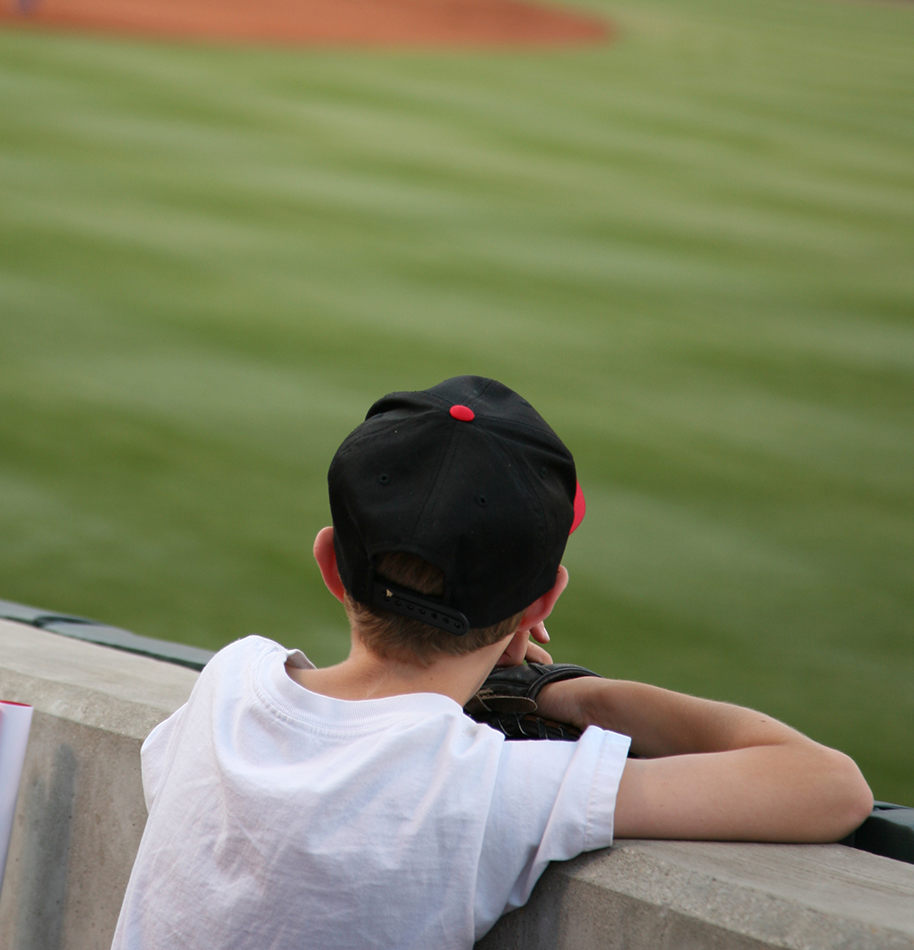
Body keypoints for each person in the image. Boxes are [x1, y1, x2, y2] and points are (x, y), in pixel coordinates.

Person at [110, 376, 872, 950]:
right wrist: (574, 697)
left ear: (331, 564)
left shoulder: (231, 682)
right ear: (542, 603)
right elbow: (830, 787)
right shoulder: (482, 787)